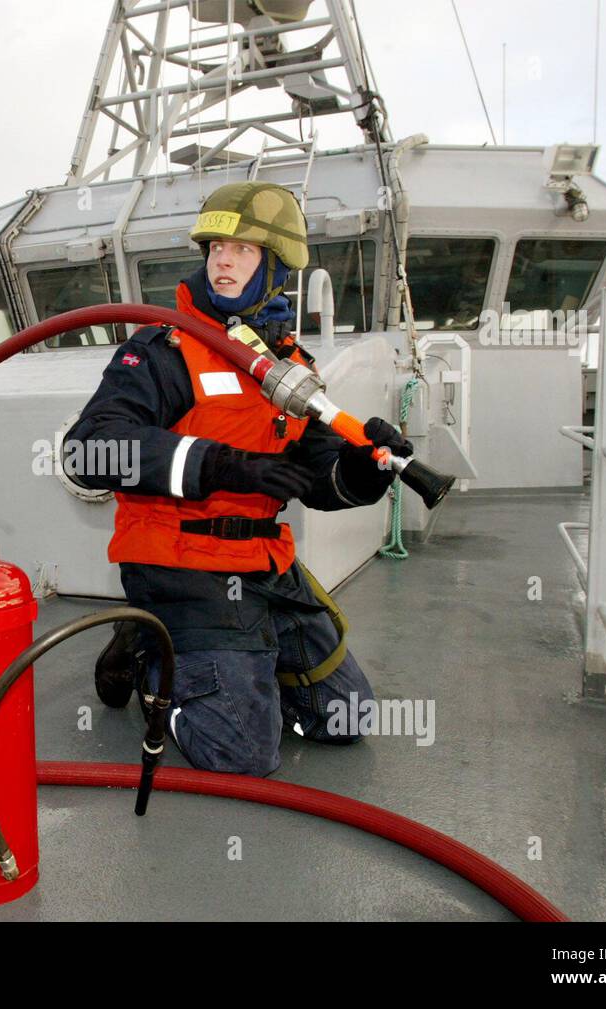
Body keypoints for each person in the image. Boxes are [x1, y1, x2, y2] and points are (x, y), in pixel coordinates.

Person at [65, 181, 412, 777]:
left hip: (262, 567)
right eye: (215, 247)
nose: (222, 260)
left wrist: (361, 468)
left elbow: (319, 477)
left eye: (244, 249)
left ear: (276, 267)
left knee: (345, 719)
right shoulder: (164, 350)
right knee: (242, 755)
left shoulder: (290, 369)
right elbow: (88, 453)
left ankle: (234, 661)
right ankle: (155, 655)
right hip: (180, 565)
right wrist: (219, 464)